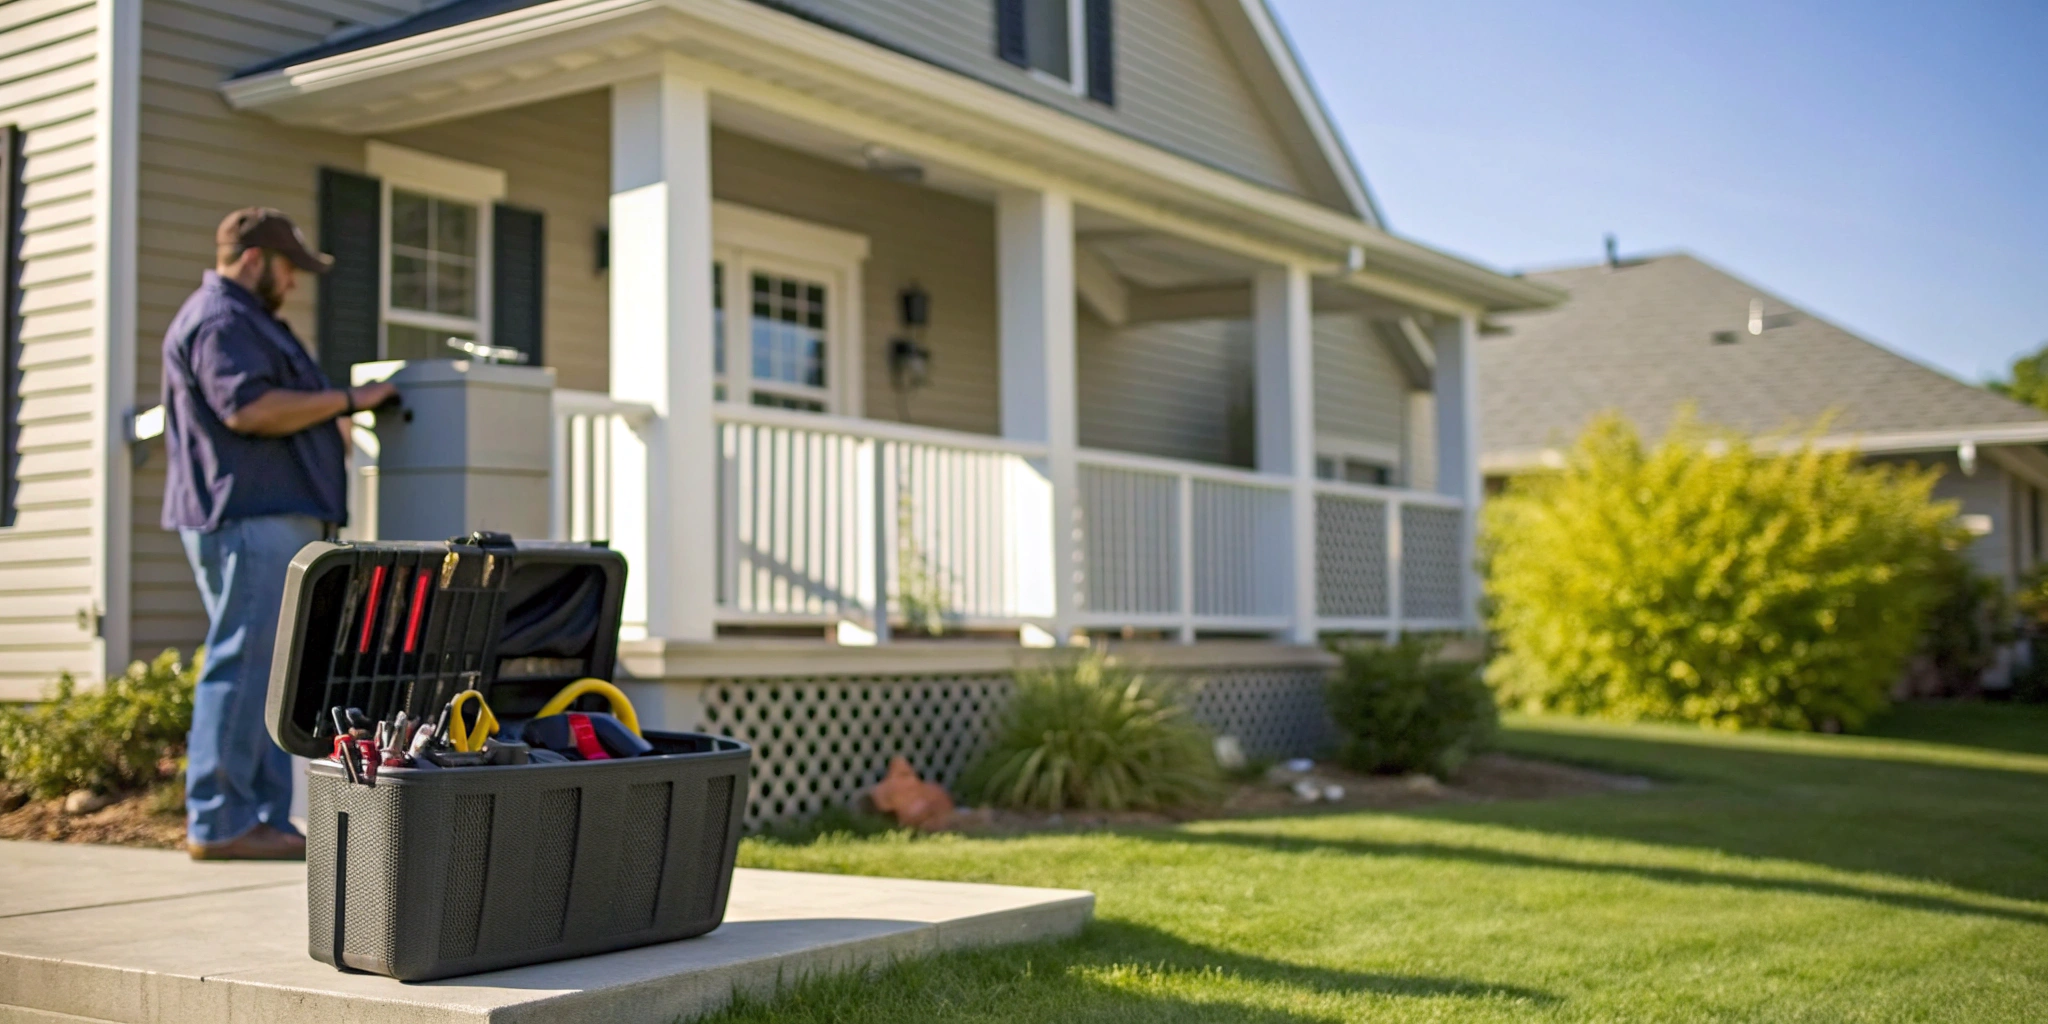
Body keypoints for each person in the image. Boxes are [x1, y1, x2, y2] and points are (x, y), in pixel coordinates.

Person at [161, 208, 397, 861]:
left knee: (266, 669)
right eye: (289, 266)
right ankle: (220, 820)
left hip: (265, 515)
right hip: (249, 517)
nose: (293, 282)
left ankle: (260, 816)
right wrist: (350, 400)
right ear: (257, 257)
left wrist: (332, 422)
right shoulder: (222, 320)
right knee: (242, 662)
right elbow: (249, 408)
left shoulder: (249, 322)